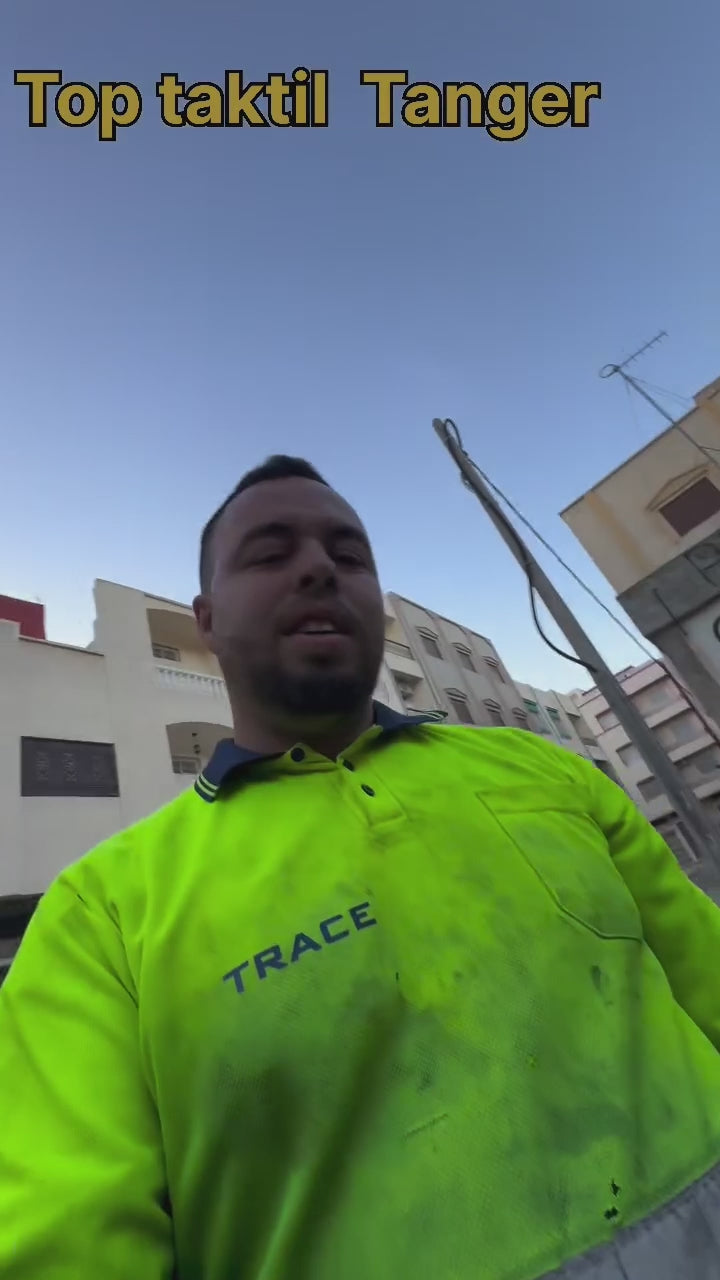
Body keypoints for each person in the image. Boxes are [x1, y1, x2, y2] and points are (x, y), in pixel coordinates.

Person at [3, 455, 720, 1280]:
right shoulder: (100, 912)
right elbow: (63, 1240)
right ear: (206, 619)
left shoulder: (545, 770)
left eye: (349, 555)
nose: (320, 568)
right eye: (271, 554)